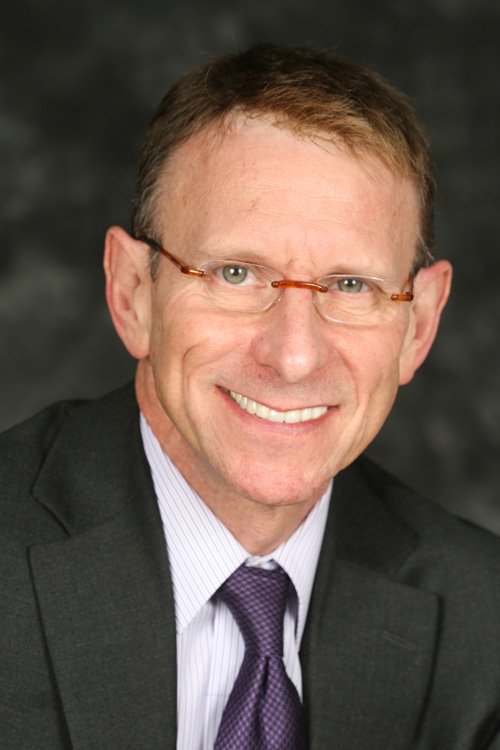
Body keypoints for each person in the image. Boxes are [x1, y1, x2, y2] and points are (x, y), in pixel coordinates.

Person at [1, 43, 500, 750]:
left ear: (418, 326)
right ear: (133, 292)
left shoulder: (483, 624)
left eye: (350, 285)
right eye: (236, 273)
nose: (293, 356)